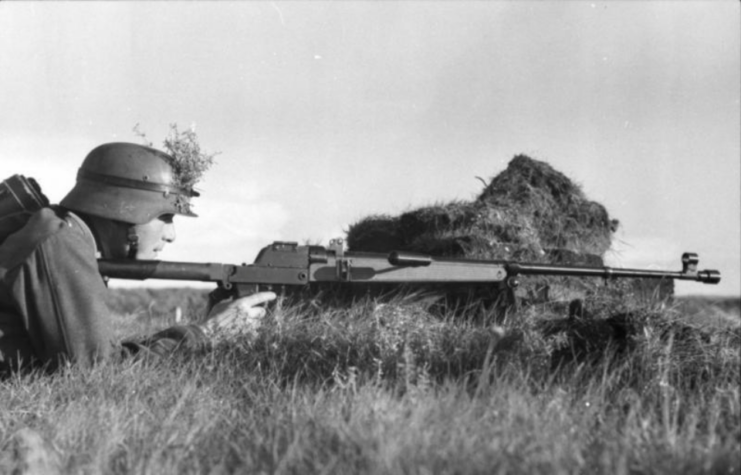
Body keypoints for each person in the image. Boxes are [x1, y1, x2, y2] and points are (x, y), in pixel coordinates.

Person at [0, 142, 276, 375]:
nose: (171, 235)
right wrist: (206, 334)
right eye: (165, 217)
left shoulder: (61, 232)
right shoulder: (61, 244)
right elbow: (93, 373)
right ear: (126, 211)